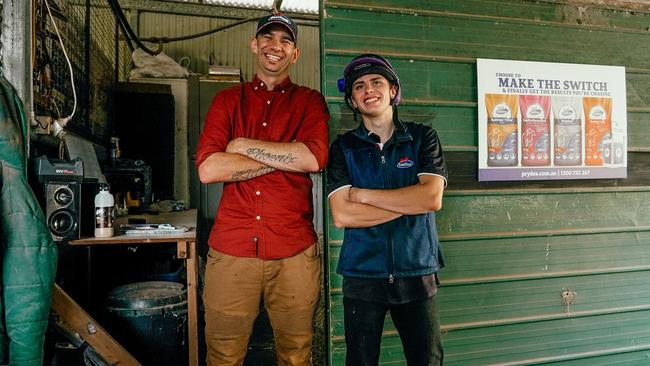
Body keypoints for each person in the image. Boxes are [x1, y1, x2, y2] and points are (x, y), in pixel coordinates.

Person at [196, 13, 329, 366]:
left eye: (286, 41)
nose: (276, 46)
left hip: (294, 250)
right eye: (268, 38)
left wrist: (240, 146)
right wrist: (287, 155)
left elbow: (314, 158)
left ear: (296, 54)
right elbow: (210, 169)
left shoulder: (309, 102)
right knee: (223, 355)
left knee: (297, 354)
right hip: (232, 248)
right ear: (254, 45)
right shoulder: (227, 101)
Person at [327, 54, 447, 366]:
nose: (369, 90)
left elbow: (431, 199)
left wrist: (362, 194)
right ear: (352, 100)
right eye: (359, 86)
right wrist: (409, 203)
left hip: (417, 268)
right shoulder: (342, 149)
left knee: (427, 361)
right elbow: (343, 215)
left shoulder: (422, 139)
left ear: (393, 90)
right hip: (362, 273)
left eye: (377, 82)